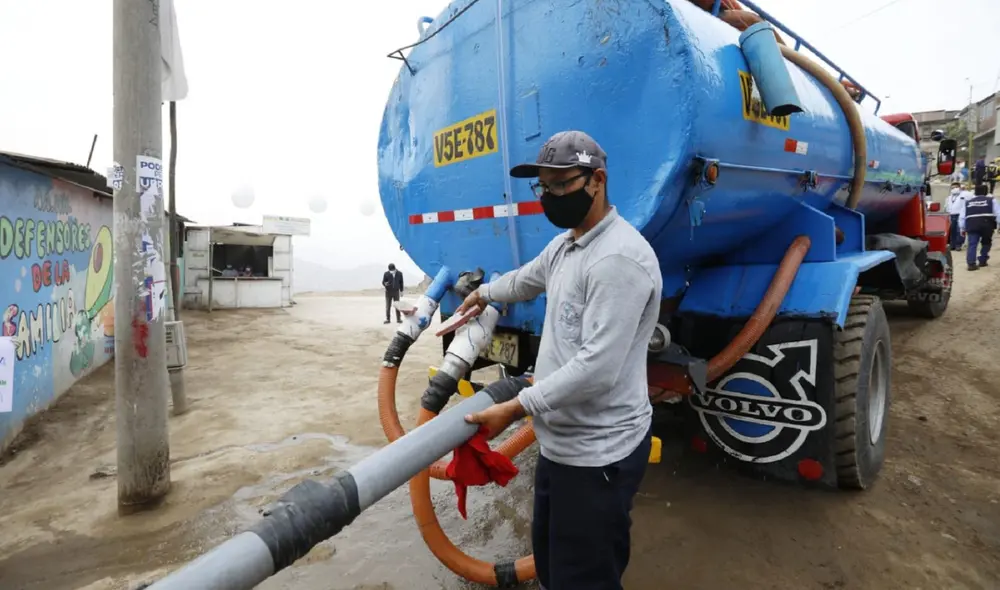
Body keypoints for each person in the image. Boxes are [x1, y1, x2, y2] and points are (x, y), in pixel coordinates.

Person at [457, 130, 663, 590]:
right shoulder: (568, 245)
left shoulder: (619, 260)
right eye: (543, 187)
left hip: (599, 454)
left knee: (586, 578)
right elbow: (525, 280)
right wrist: (483, 293)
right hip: (561, 447)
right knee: (553, 567)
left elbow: (596, 369)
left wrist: (513, 409)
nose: (549, 196)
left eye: (561, 185)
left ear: (598, 180)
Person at [959, 184, 1000, 271]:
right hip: (987, 224)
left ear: (975, 192)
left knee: (972, 244)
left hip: (972, 224)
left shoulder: (968, 202)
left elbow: (962, 216)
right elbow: (998, 213)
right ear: (986, 192)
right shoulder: (991, 200)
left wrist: (962, 227)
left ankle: (971, 264)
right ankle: (983, 260)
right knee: (986, 242)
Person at [946, 182, 967, 251]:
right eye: (952, 188)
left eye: (955, 187)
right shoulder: (949, 197)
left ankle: (959, 244)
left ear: (959, 188)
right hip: (952, 215)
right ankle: (952, 245)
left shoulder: (963, 195)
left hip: (960, 215)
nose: (954, 189)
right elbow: (947, 206)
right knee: (952, 230)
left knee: (959, 230)